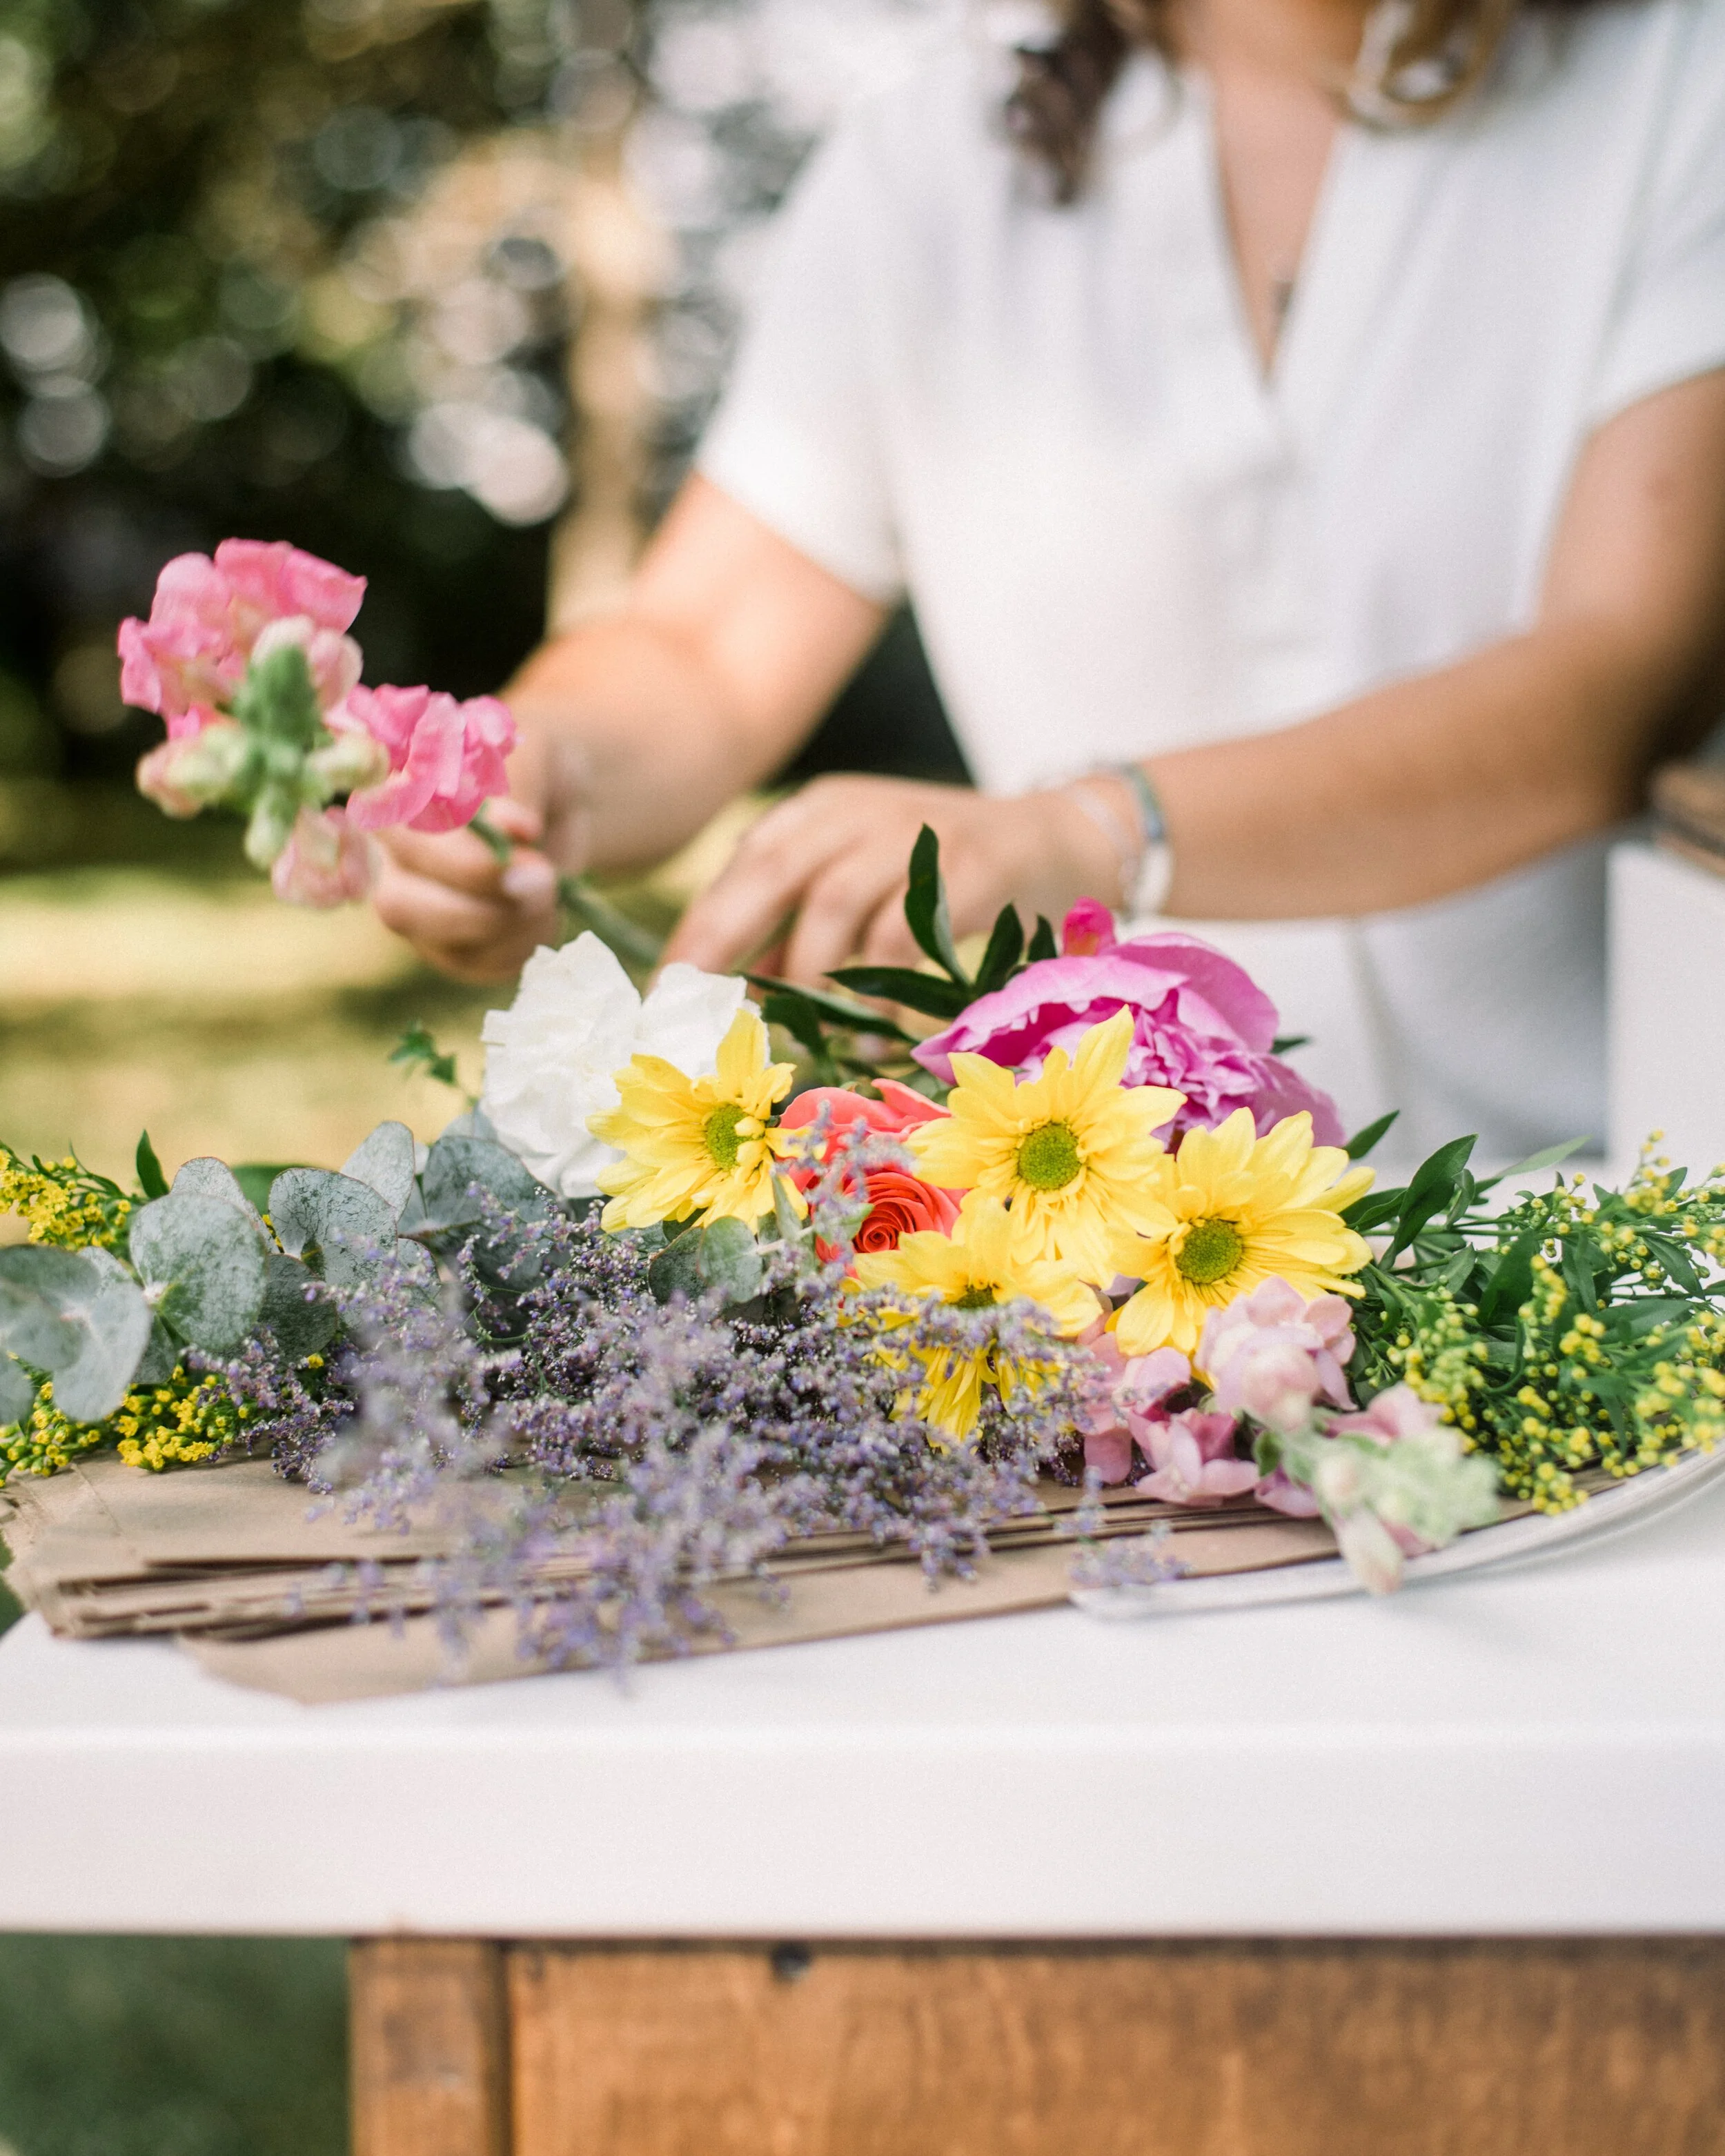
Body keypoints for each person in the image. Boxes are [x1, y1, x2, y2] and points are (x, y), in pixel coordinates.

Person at [373, 0, 1725, 1160]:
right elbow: (705, 646)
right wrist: (538, 768)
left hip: (1619, 1209)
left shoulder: (1676, 80)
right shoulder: (926, 166)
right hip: (1121, 1278)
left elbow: (1618, 680)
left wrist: (1087, 831)